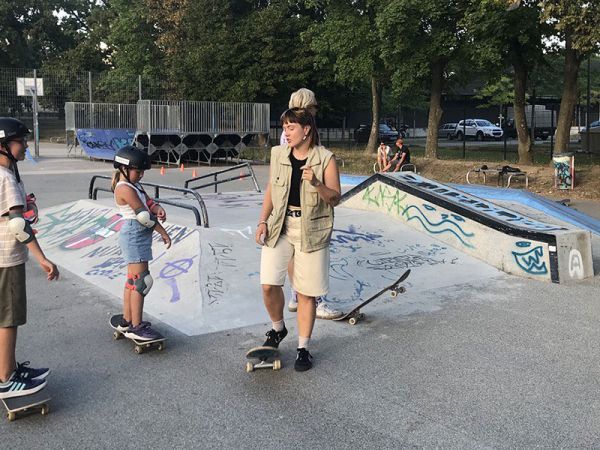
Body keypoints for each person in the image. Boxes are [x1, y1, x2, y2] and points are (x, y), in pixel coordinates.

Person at [256, 107, 341, 371]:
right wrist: (262, 220)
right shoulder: (278, 154)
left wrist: (316, 182)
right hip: (280, 224)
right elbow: (272, 187)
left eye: (291, 127)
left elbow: (335, 198)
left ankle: (303, 348)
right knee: (269, 284)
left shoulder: (325, 159)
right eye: (284, 127)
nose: (286, 132)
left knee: (305, 293)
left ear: (307, 130)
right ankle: (278, 329)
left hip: (311, 229)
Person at [0, 117, 59, 399]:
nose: (25, 146)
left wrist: (27, 207)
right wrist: (42, 258)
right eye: (20, 141)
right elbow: (17, 226)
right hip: (7, 259)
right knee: (9, 319)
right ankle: (7, 378)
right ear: (3, 146)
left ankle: (8, 367)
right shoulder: (6, 178)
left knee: (4, 317)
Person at [279, 89, 341, 319]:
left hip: (289, 200)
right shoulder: (306, 129)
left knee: (294, 253)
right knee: (312, 250)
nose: (316, 110)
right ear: (308, 107)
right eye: (314, 106)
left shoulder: (287, 126)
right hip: (308, 200)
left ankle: (297, 296)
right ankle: (317, 301)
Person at [111, 145, 171, 341]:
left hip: (137, 234)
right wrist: (163, 232)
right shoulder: (124, 188)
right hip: (134, 233)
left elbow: (148, 203)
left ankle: (127, 320)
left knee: (133, 279)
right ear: (124, 169)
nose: (141, 175)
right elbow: (143, 215)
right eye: (138, 171)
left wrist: (158, 207)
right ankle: (136, 326)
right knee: (141, 282)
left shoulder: (134, 185)